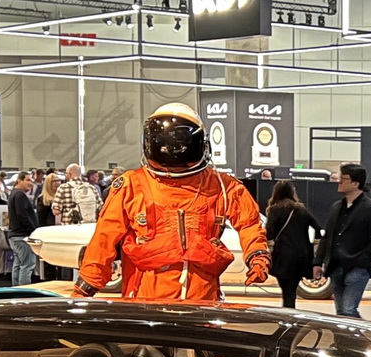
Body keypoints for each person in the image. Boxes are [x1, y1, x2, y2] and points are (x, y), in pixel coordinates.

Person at [76, 103, 270, 301]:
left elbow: (249, 224)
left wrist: (257, 255)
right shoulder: (132, 185)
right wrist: (85, 287)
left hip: (202, 297)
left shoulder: (222, 186)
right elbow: (104, 239)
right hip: (146, 297)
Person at [315, 163, 371, 319]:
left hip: (357, 268)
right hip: (336, 267)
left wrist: (362, 260)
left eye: (344, 178)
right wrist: (317, 262)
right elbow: (327, 237)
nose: (339, 182)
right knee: (341, 314)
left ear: (355, 183)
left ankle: (366, 334)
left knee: (348, 310)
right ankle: (350, 336)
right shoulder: (336, 207)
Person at [263, 180, 320, 308]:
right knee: (292, 289)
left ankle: (288, 313)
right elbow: (317, 227)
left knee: (286, 290)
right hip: (302, 256)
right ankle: (290, 310)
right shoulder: (301, 209)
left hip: (283, 255)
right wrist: (314, 246)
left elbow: (269, 230)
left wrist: (270, 245)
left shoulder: (274, 209)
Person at [7, 172, 41, 286]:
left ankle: (16, 289)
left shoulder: (14, 194)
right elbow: (22, 215)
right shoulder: (20, 195)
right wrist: (33, 231)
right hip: (22, 236)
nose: (30, 183)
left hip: (15, 236)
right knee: (27, 264)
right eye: (28, 180)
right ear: (19, 180)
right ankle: (24, 291)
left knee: (18, 264)